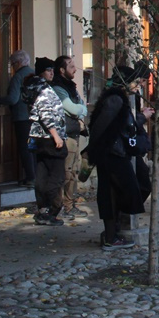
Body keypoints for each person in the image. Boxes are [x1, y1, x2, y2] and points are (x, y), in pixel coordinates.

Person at [87, 65, 154, 250]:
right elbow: (100, 127)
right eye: (135, 82)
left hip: (114, 152)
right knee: (115, 194)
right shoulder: (115, 99)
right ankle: (111, 236)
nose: (138, 86)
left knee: (118, 193)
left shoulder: (118, 98)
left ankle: (112, 234)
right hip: (112, 154)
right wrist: (93, 151)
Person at [26, 57, 68, 227]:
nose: (52, 73)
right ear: (41, 72)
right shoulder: (43, 89)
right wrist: (55, 135)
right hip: (49, 139)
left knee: (42, 174)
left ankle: (43, 210)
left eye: (52, 70)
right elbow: (45, 114)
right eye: (48, 70)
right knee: (57, 176)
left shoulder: (36, 87)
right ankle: (49, 209)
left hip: (40, 138)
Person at [51, 55, 89, 219]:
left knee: (73, 172)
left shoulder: (71, 87)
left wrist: (79, 109)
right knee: (65, 173)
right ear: (62, 70)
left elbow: (82, 106)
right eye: (71, 66)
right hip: (65, 135)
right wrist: (79, 109)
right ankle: (60, 207)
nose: (75, 69)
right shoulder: (58, 88)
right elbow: (73, 108)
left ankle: (69, 205)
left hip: (74, 133)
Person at [0, 50, 36, 186]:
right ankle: (36, 176)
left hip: (22, 117)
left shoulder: (18, 77)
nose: (13, 67)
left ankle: (30, 177)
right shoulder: (35, 74)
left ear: (19, 63)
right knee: (33, 146)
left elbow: (13, 99)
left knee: (24, 147)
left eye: (13, 64)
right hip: (36, 117)